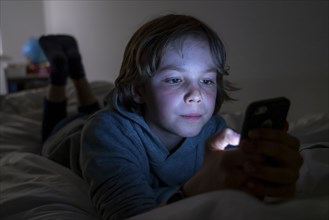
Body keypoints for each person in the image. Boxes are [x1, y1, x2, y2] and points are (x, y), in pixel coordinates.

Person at [41, 14, 303, 220]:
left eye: (207, 80)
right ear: (138, 89)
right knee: (69, 120)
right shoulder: (105, 132)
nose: (196, 95)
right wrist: (195, 189)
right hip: (69, 135)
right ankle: (62, 73)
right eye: (175, 79)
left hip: (108, 117)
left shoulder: (215, 131)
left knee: (90, 107)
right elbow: (128, 215)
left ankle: (77, 72)